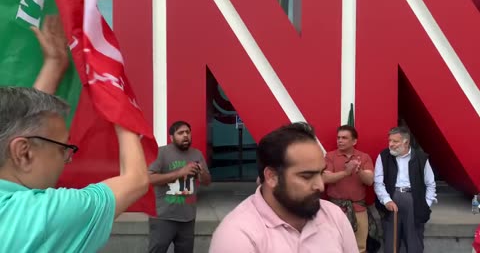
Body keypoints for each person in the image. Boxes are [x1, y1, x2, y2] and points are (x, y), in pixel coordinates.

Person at [0, 16, 150, 252]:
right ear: (23, 153)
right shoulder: (46, 216)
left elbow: (24, 123)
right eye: (63, 149)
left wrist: (55, 64)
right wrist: (118, 101)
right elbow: (136, 181)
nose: (66, 160)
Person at [209, 122, 358, 253]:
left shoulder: (334, 216)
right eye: (306, 176)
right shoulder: (236, 236)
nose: (320, 186)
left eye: (321, 173)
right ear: (271, 177)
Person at [148, 121, 211, 253]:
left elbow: (207, 182)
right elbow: (149, 179)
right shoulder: (162, 153)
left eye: (187, 132)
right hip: (163, 217)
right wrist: (179, 173)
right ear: (171, 137)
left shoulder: (197, 154)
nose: (185, 136)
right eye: (180, 133)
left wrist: (201, 172)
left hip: (188, 218)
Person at [374, 126, 436, 253]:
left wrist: (425, 204)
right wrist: (386, 201)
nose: (391, 144)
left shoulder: (420, 157)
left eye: (395, 141)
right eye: (389, 141)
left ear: (406, 142)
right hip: (391, 198)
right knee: (391, 242)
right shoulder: (383, 156)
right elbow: (378, 182)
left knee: (414, 242)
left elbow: (430, 184)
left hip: (413, 200)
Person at [322, 125, 374, 253]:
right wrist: (346, 172)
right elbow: (325, 179)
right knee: (333, 246)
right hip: (335, 209)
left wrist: (359, 170)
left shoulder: (364, 157)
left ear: (354, 141)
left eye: (344, 138)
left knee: (360, 247)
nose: (339, 140)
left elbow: (369, 181)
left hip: (359, 209)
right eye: (338, 137)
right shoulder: (330, 156)